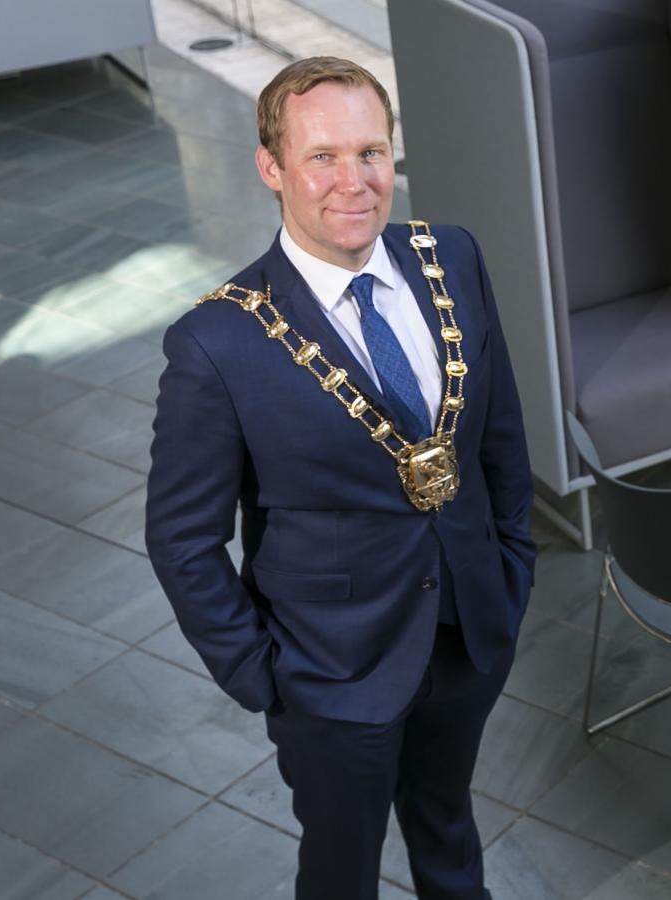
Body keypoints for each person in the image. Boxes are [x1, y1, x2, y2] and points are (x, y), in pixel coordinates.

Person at [145, 57, 535, 900]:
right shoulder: (218, 341)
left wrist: (511, 562)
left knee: (448, 823)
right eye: (322, 156)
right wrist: (266, 677)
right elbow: (182, 540)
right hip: (330, 674)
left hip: (467, 631)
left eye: (371, 152)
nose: (352, 182)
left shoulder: (451, 258)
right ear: (272, 168)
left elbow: (498, 435)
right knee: (341, 865)